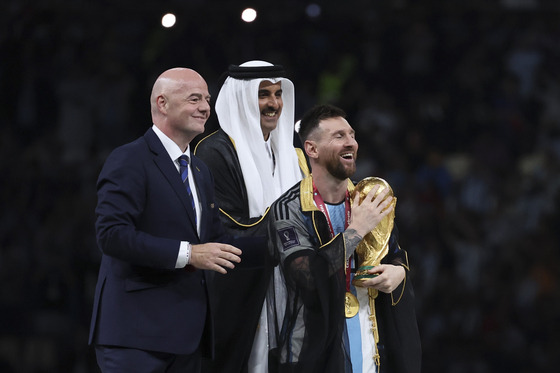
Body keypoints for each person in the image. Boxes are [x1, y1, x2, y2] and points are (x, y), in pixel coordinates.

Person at [89, 67, 264, 373]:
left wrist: (286, 244)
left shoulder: (199, 170)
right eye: (194, 99)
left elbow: (218, 245)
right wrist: (188, 254)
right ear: (162, 103)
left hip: (187, 338)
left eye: (207, 99)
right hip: (135, 337)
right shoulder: (129, 159)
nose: (205, 108)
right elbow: (112, 235)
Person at [266, 104, 422, 373]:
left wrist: (398, 272)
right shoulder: (288, 208)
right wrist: (357, 230)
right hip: (311, 350)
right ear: (312, 149)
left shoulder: (369, 198)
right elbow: (307, 277)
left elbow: (394, 252)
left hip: (370, 340)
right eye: (339, 136)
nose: (351, 142)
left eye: (351, 135)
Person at [194, 60, 307, 373]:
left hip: (288, 291)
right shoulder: (214, 152)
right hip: (236, 296)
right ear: (242, 99)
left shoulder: (290, 154)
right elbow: (227, 233)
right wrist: (295, 230)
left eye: (278, 93)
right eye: (263, 94)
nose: (273, 104)